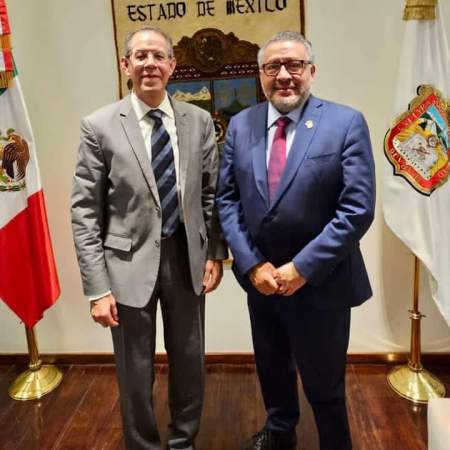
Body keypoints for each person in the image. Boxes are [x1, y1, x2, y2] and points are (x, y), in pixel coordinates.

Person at [216, 31, 375, 450]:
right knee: (272, 370)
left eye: (294, 65)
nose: (284, 75)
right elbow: (227, 199)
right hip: (262, 281)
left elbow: (356, 209)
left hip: (321, 281)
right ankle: (280, 431)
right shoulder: (241, 125)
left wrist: (301, 268)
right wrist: (252, 264)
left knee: (325, 383)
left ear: (311, 71)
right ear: (260, 74)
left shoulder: (345, 123)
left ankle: (335, 442)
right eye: (273, 66)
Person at [71, 26, 227, 450]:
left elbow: (211, 193)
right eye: (140, 56)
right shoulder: (99, 126)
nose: (150, 64)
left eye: (158, 56)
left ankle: (182, 442)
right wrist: (97, 289)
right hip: (126, 265)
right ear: (126, 65)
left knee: (190, 361)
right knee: (134, 369)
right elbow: (85, 211)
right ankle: (142, 445)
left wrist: (215, 253)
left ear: (172, 65)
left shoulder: (198, 121)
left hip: (186, 258)